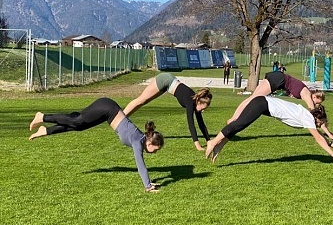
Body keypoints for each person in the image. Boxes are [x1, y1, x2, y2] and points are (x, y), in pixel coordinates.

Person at [28, 97, 164, 193]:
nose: (154, 153)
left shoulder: (140, 138)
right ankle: (42, 117)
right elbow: (140, 165)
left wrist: (148, 182)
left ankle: (45, 130)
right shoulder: (137, 142)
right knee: (77, 121)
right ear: (150, 143)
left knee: (78, 124)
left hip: (107, 111)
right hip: (107, 108)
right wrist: (147, 186)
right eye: (155, 150)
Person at [205, 96, 333, 163]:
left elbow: (319, 135)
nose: (321, 126)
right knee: (238, 124)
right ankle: (213, 142)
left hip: (264, 105)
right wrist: (331, 153)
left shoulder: (307, 116)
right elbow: (317, 137)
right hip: (262, 104)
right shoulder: (308, 118)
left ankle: (220, 145)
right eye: (322, 124)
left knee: (240, 125)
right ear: (318, 119)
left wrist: (330, 142)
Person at [123, 72, 212, 151]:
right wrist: (197, 145)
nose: (203, 111)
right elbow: (191, 123)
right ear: (199, 102)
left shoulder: (195, 102)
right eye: (203, 108)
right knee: (141, 100)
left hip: (168, 84)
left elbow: (201, 123)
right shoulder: (190, 101)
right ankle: (120, 118)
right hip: (165, 80)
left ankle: (122, 118)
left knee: (143, 101)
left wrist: (208, 141)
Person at [228, 71, 320, 124]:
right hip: (279, 79)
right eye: (317, 101)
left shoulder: (304, 91)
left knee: (253, 98)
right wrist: (319, 121)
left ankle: (234, 118)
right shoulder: (307, 94)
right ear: (314, 96)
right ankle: (234, 119)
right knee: (253, 99)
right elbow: (312, 110)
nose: (316, 103)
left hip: (277, 77)